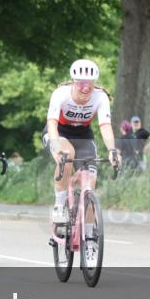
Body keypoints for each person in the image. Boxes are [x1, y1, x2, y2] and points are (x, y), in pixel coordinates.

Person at [44, 59, 120, 241]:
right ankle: (60, 205)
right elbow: (52, 123)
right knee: (67, 156)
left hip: (83, 137)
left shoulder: (100, 97)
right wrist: (55, 147)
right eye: (81, 84)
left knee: (89, 185)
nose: (85, 89)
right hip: (58, 134)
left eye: (89, 84)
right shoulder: (61, 94)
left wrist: (112, 150)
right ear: (73, 82)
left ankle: (88, 236)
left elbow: (105, 126)